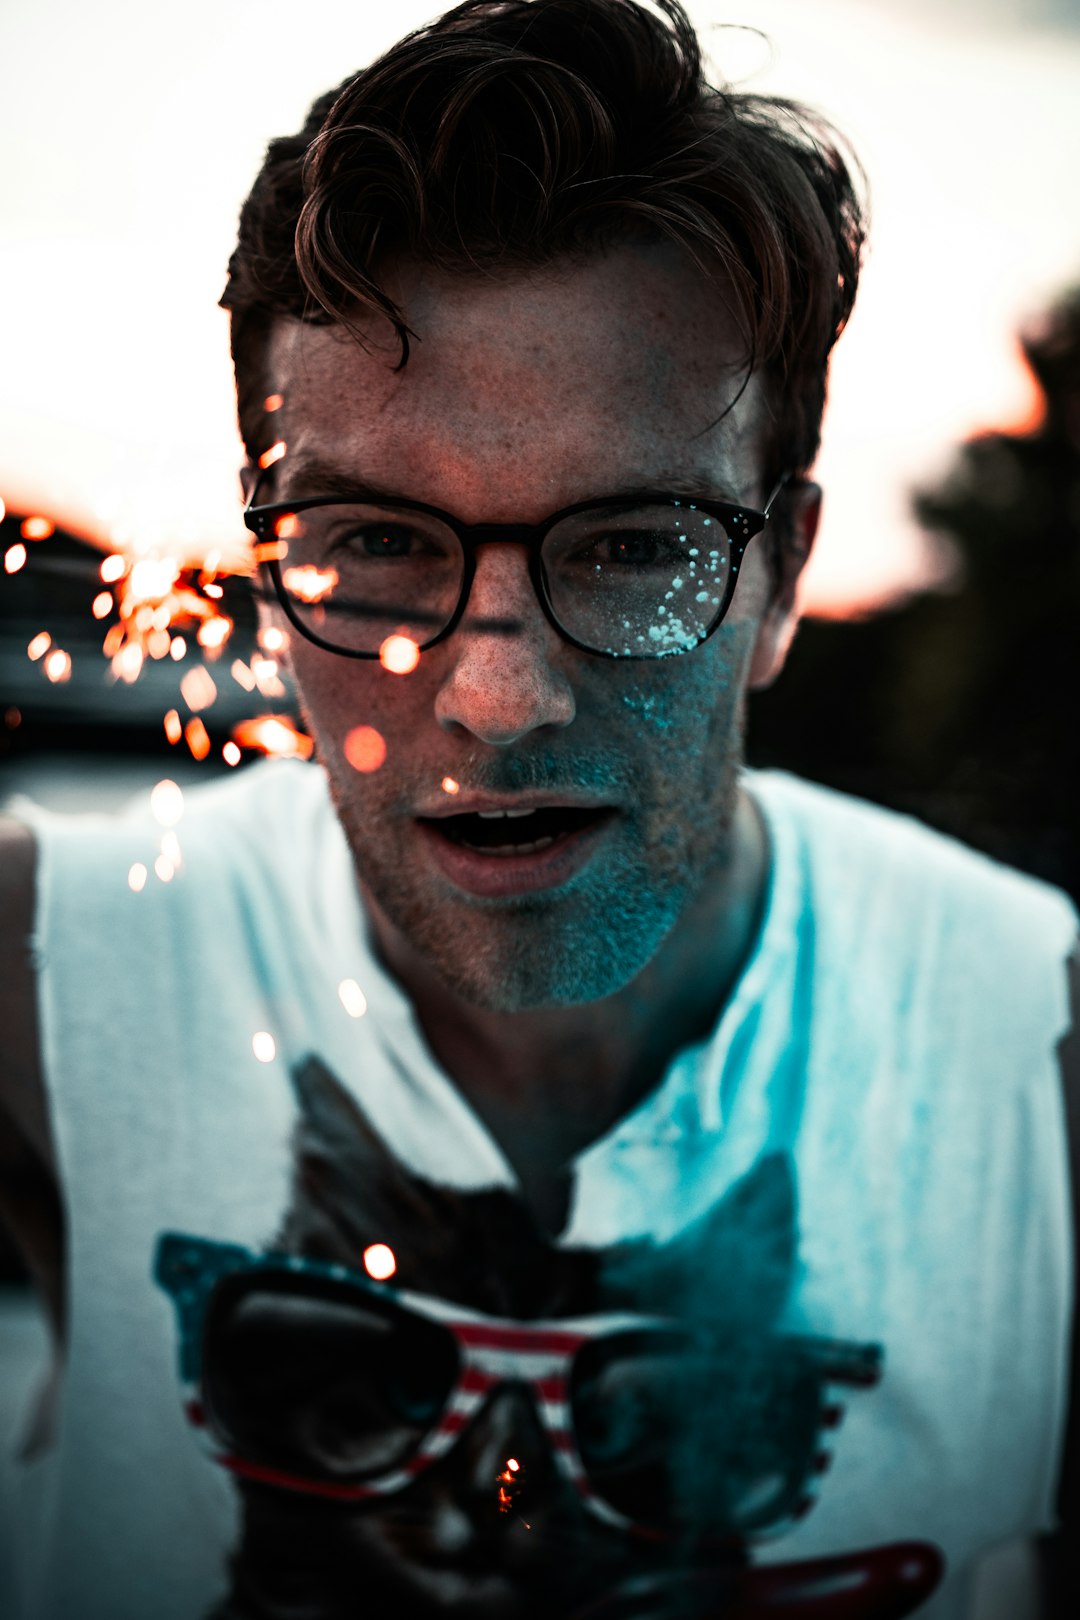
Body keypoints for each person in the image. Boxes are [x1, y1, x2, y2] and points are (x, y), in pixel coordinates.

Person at [1, 1, 1077, 1617]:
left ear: (781, 576)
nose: (497, 696)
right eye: (371, 538)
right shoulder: (42, 985)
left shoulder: (1039, 1056)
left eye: (635, 543)